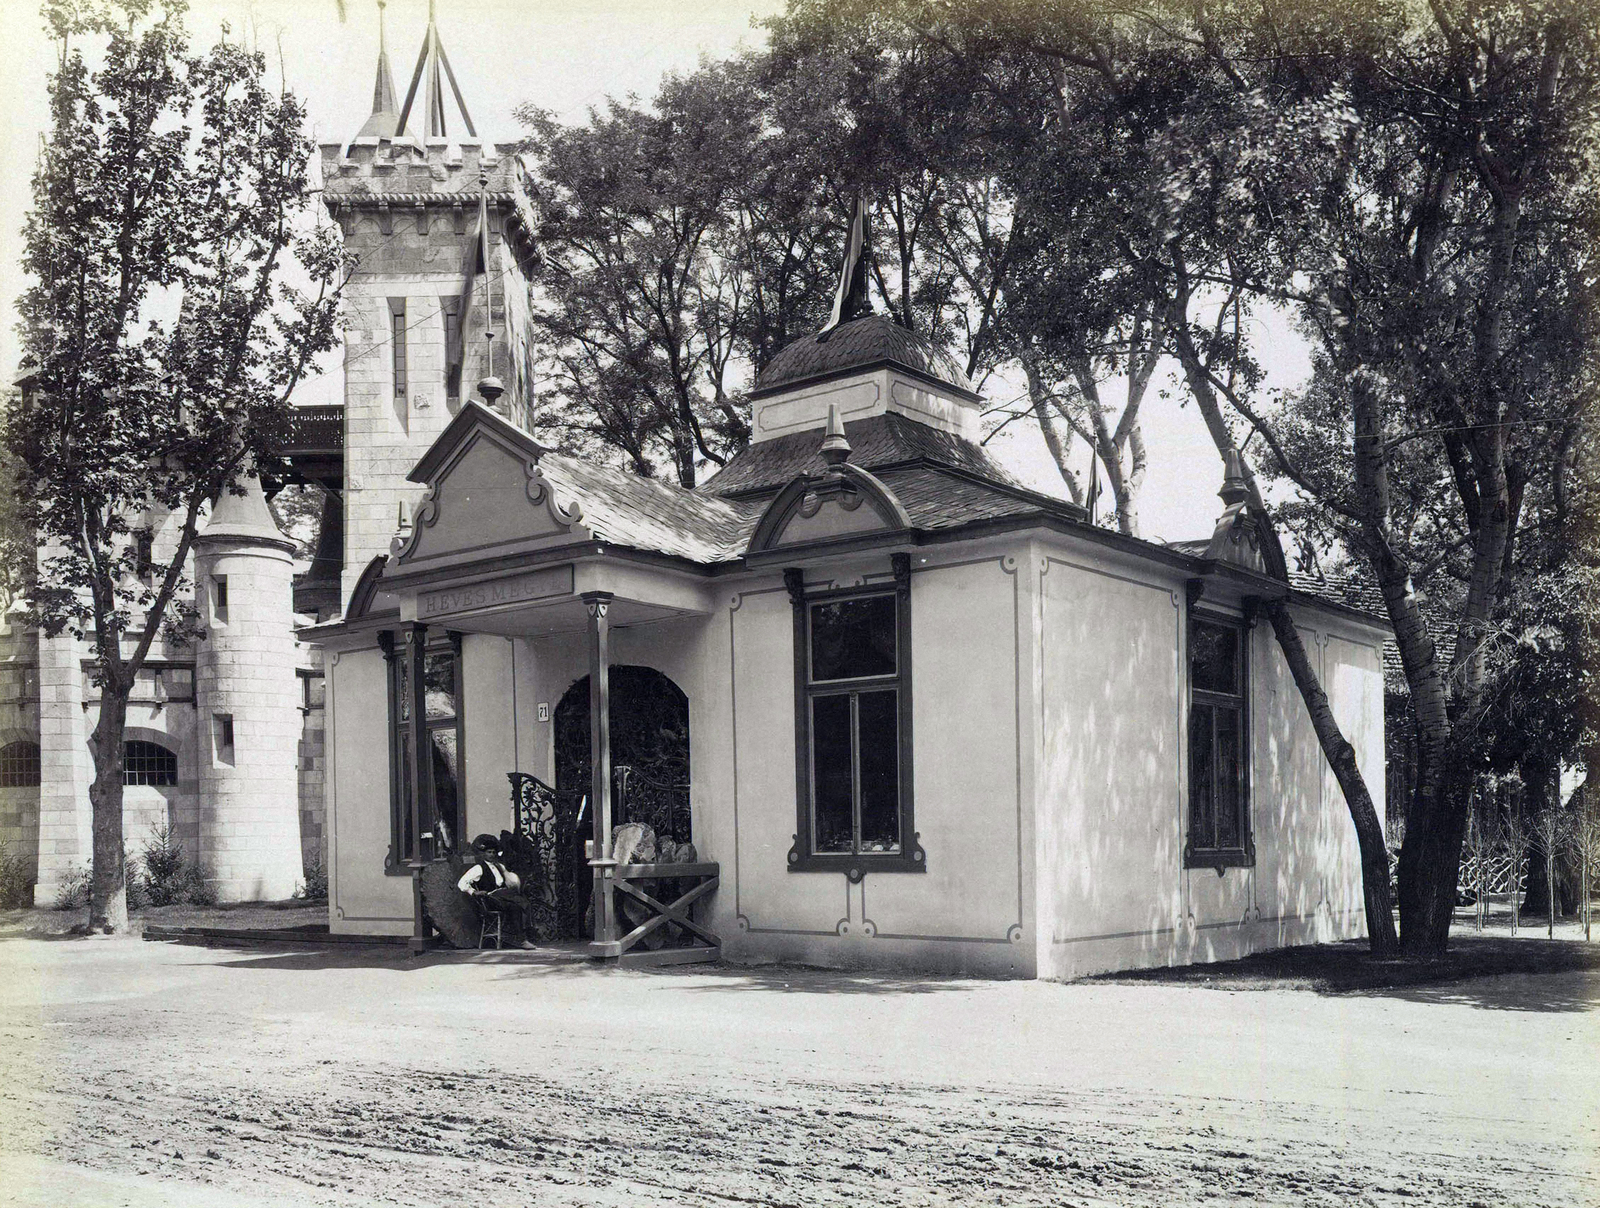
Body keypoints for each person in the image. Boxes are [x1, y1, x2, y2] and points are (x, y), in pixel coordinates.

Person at [457, 834, 534, 948]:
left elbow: (510, 881)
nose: (491, 855)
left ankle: (524, 934)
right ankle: (522, 940)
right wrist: (474, 892)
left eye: (493, 852)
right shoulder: (479, 868)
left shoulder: (499, 866)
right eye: (489, 852)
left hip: (503, 895)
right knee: (515, 907)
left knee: (525, 903)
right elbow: (462, 882)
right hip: (490, 899)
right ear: (483, 854)